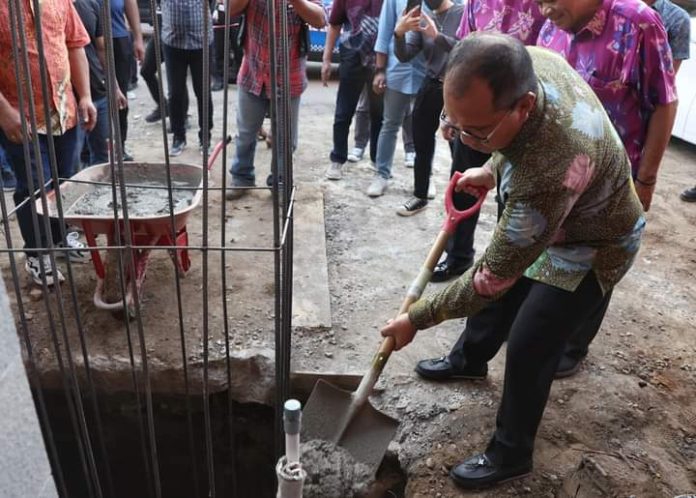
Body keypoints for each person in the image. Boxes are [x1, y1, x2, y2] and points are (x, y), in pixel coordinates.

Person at [381, 33, 645, 489]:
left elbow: (489, 278)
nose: (462, 138)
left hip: (596, 240)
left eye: (476, 131)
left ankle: (511, 453)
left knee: (529, 341)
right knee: (505, 295)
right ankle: (469, 358)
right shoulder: (529, 64)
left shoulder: (547, 170)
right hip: (562, 208)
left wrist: (416, 318)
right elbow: (520, 138)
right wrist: (493, 164)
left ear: (521, 107)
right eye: (454, 122)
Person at [536, 0, 678, 376]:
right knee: (552, 257)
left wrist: (646, 179)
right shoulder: (551, 26)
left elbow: (664, 104)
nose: (544, 10)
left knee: (598, 263)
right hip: (557, 179)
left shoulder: (639, 24)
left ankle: (574, 344)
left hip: (611, 186)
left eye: (550, 0)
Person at [431, 0, 546, 282]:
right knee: (463, 186)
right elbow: (459, 56)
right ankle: (458, 256)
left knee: (511, 195)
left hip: (512, 119)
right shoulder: (476, 2)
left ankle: (503, 267)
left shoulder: (542, 6)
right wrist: (450, 114)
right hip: (473, 115)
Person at [0, 0, 97, 285]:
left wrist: (86, 96)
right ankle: (38, 253)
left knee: (65, 180)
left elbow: (75, 44)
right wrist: (5, 113)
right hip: (19, 114)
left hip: (64, 109)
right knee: (34, 185)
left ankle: (61, 235)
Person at [225, 0, 326, 198]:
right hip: (253, 72)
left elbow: (320, 19)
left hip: (288, 77)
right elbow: (229, 10)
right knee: (245, 133)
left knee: (285, 139)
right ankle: (241, 177)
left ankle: (280, 182)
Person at [392, 0, 464, 216]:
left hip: (459, 87)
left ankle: (459, 204)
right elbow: (405, 55)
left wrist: (437, 36)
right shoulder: (423, 16)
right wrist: (399, 34)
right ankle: (420, 195)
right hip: (431, 84)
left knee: (459, 149)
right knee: (421, 141)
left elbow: (468, 50)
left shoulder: (462, 13)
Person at [366, 0, 426, 197]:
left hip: (428, 70)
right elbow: (384, 34)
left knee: (426, 129)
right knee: (390, 123)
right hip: (396, 69)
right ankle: (381, 175)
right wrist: (380, 70)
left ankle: (425, 178)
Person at [322, 0, 384, 181]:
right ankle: (337, 159)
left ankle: (377, 160)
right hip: (351, 56)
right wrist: (326, 60)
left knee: (379, 113)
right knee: (343, 112)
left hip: (380, 60)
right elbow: (334, 24)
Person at [74, 0, 128, 166]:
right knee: (73, 164)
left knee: (103, 159)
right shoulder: (50, 7)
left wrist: (114, 86)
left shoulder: (91, 4)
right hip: (69, 98)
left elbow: (102, 48)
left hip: (97, 90)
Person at [161, 0, 215, 156]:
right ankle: (178, 137)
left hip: (201, 40)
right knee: (175, 93)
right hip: (173, 41)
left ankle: (205, 138)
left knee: (203, 92)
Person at [106, 0, 145, 160]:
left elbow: (130, 2)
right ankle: (90, 151)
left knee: (120, 97)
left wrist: (138, 37)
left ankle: (119, 146)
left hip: (118, 37)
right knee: (94, 96)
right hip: (87, 38)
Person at [212, 0, 244, 91]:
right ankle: (219, 78)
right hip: (218, 11)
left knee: (238, 47)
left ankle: (239, 74)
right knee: (218, 47)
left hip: (235, 10)